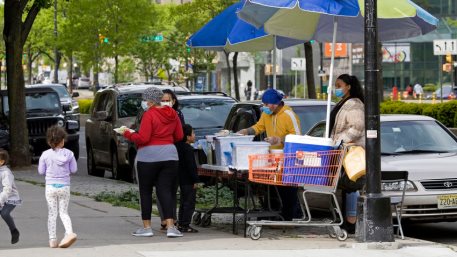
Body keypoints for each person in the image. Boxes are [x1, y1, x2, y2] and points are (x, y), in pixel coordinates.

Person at [121, 86, 184, 238]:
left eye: (145, 99)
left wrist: (128, 133)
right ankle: (170, 227)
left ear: (150, 101)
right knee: (166, 191)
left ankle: (147, 227)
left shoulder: (149, 114)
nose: (144, 102)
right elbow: (180, 136)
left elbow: (143, 138)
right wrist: (166, 141)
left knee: (146, 191)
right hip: (170, 156)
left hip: (148, 157)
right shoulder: (173, 113)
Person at [238, 88, 301, 221]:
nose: (265, 107)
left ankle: (291, 215)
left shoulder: (289, 115)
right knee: (273, 187)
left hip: (288, 158)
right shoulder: (267, 114)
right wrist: (245, 131)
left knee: (287, 188)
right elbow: (258, 127)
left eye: (266, 104)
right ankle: (275, 213)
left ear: (275, 103)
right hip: (272, 157)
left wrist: (279, 140)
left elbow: (297, 137)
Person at [330, 74, 365, 234]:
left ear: (348, 86)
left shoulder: (354, 104)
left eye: (339, 85)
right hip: (343, 151)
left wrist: (339, 141)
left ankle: (352, 221)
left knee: (351, 184)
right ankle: (347, 220)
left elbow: (357, 127)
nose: (336, 88)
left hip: (351, 151)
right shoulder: (344, 103)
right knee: (346, 185)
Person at [38, 126, 78, 248]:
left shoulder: (45, 154)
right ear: (62, 140)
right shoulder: (69, 154)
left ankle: (52, 240)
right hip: (64, 187)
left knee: (52, 213)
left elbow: (40, 171)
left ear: (50, 141)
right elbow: (74, 170)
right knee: (64, 212)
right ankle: (69, 233)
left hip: (50, 187)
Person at [157, 89, 186, 231]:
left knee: (172, 188)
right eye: (162, 99)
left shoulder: (178, 115)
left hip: (173, 155)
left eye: (168, 99)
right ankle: (165, 219)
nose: (165, 102)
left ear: (173, 101)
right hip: (157, 156)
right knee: (162, 188)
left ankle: (171, 219)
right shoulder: (153, 113)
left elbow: (180, 135)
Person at [176, 124, 200, 233]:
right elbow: (191, 166)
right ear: (187, 136)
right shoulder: (188, 149)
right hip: (189, 180)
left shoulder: (178, 147)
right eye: (193, 133)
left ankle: (181, 223)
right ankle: (185, 224)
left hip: (180, 178)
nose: (194, 135)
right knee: (189, 203)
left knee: (183, 202)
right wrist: (195, 180)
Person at [0, 149, 21, 245]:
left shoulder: (6, 173)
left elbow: (7, 190)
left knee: (4, 213)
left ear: (1, 162)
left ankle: (14, 231)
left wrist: (0, 201)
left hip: (10, 199)